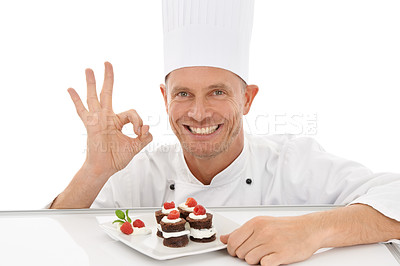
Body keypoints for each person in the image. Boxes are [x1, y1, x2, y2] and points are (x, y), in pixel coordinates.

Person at [50, 0, 400, 265]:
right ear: (164, 98)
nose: (198, 113)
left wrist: (311, 230)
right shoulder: (139, 171)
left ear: (247, 99)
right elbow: (50, 241)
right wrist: (93, 172)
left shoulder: (291, 162)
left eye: (218, 92)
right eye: (183, 94)